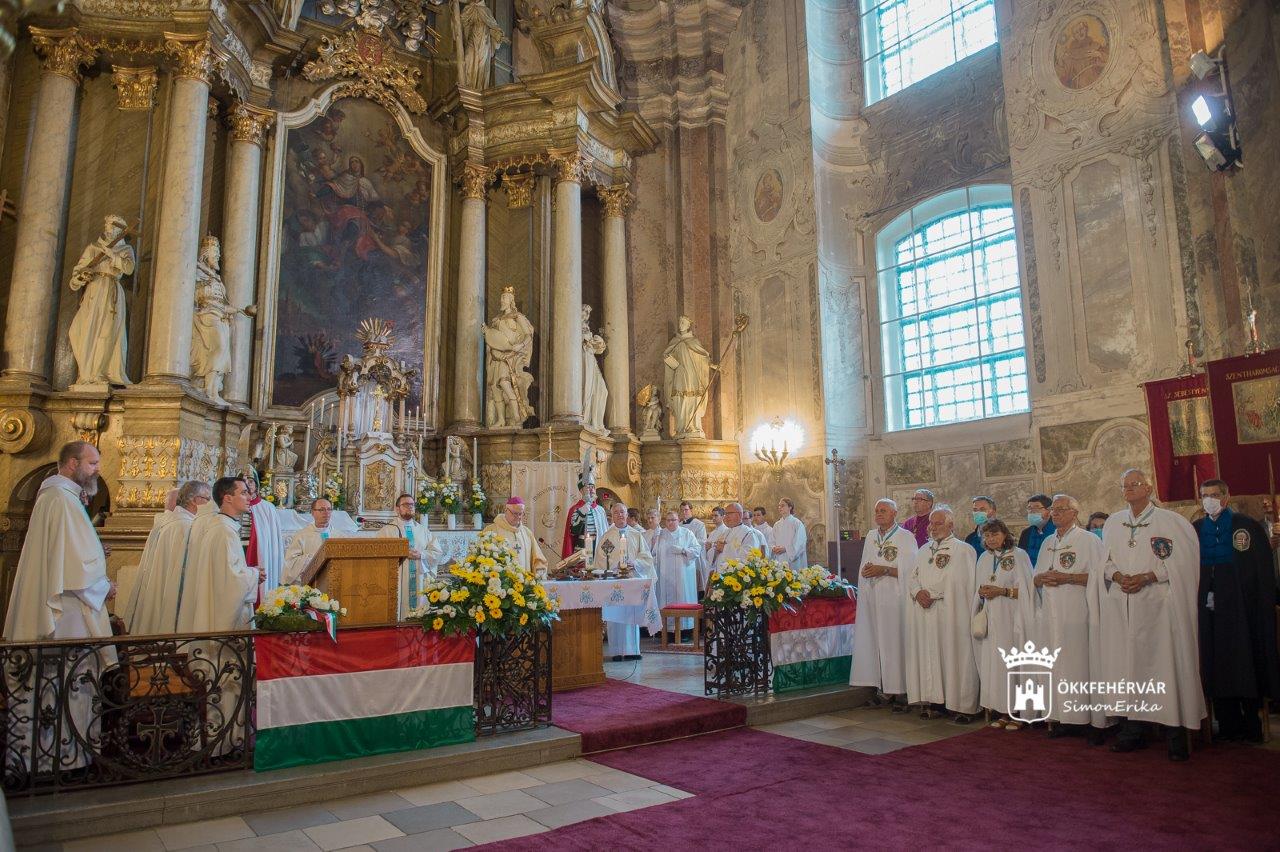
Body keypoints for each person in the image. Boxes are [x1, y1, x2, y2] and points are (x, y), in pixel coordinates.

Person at [3, 441, 118, 772]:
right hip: (67, 612)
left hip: (69, 606)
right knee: (66, 685)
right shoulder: (61, 501)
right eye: (92, 462)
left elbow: (69, 553)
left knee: (66, 685)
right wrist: (104, 586)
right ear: (71, 463)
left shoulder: (58, 499)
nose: (97, 468)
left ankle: (58, 756)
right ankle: (57, 760)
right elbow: (73, 569)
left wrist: (97, 552)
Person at [1099, 469, 1204, 761]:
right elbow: (1104, 562)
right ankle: (1132, 730)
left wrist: (1148, 576)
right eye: (1125, 486)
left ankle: (1175, 732)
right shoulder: (1114, 523)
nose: (1129, 489)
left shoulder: (1171, 522)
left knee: (1164, 667)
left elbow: (1182, 565)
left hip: (1159, 609)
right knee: (1127, 668)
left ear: (1148, 487)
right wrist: (1118, 575)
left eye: (1135, 484)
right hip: (1123, 606)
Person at [1193, 479, 1279, 742]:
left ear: (1226, 497)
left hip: (1244, 612)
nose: (1210, 500)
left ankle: (1251, 722)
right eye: (1205, 496)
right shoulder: (1195, 529)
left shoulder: (1246, 526)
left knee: (1246, 661)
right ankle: (1227, 722)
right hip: (1210, 612)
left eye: (1215, 495)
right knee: (1215, 662)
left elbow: (1260, 570)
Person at [1033, 494, 1108, 741]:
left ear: (1075, 513)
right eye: (1053, 510)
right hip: (1051, 614)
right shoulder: (1047, 543)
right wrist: (1043, 577)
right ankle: (1063, 717)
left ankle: (1091, 721)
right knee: (1056, 665)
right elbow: (1035, 577)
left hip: (1078, 612)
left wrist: (1067, 578)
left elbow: (1100, 579)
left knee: (1081, 663)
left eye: (1061, 510)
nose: (1055, 514)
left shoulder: (1088, 541)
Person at [904, 505, 980, 723]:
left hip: (950, 613)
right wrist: (918, 592)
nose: (933, 527)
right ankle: (934, 701)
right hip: (925, 612)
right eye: (931, 523)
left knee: (954, 655)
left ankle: (962, 706)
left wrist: (932, 592)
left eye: (938, 523)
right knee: (930, 655)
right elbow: (913, 576)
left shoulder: (963, 550)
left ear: (951, 525)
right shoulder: (923, 550)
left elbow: (961, 582)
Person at [850, 498, 918, 709]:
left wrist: (885, 570)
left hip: (895, 599)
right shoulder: (871, 535)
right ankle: (883, 688)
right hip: (873, 597)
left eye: (884, 511)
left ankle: (901, 691)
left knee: (895, 642)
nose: (879, 514)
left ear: (894, 513)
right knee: (877, 642)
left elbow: (912, 572)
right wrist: (866, 572)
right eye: (877, 510)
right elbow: (865, 563)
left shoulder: (906, 537)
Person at [123, 480, 209, 635]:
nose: (209, 504)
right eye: (206, 499)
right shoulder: (186, 526)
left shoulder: (171, 522)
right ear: (194, 500)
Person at [176, 477, 261, 632]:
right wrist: (254, 574)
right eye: (243, 493)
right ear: (227, 498)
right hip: (223, 626)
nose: (249, 497)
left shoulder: (224, 526)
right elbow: (227, 581)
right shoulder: (223, 531)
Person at [973, 519, 1034, 730]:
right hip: (992, 618)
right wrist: (980, 594)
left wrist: (1002, 591)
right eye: (986, 535)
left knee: (1014, 664)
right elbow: (977, 588)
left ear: (1005, 534)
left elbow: (1028, 591)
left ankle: (1019, 713)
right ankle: (1003, 710)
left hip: (1013, 617)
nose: (990, 539)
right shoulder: (984, 558)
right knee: (997, 665)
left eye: (995, 534)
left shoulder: (1018, 555)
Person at [591, 502, 658, 660]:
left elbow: (646, 558)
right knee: (616, 616)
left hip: (632, 581)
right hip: (614, 582)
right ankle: (616, 651)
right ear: (612, 516)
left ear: (627, 515)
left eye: (623, 512)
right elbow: (600, 561)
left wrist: (635, 563)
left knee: (631, 615)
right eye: (616, 513)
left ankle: (632, 650)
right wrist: (612, 568)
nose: (620, 515)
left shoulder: (636, 535)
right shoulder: (607, 537)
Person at [379, 492, 445, 617]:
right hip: (397, 580)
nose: (410, 507)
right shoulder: (387, 530)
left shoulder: (423, 530)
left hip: (419, 579)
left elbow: (437, 553)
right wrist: (400, 553)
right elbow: (378, 553)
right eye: (406, 505)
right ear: (397, 509)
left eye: (412, 505)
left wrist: (422, 554)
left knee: (419, 615)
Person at [650, 510, 701, 632]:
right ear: (665, 522)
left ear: (678, 521)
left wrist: (683, 550)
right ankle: (666, 630)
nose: (671, 522)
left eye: (673, 520)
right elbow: (653, 554)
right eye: (668, 520)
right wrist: (653, 542)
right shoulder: (660, 534)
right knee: (665, 601)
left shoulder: (687, 533)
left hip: (682, 576)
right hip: (664, 576)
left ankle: (684, 630)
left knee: (682, 599)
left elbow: (697, 550)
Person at [484, 497, 547, 575]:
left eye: (520, 514)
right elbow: (483, 557)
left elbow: (537, 557)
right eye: (515, 513)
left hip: (525, 583)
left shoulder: (527, 532)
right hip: (501, 583)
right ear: (506, 511)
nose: (518, 517)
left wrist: (539, 570)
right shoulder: (491, 530)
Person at [283, 498, 337, 585]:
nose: (326, 512)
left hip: (333, 580)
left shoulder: (339, 535)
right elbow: (290, 562)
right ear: (312, 512)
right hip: (310, 582)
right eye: (321, 509)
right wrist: (312, 559)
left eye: (329, 509)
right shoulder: (302, 535)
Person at [709, 502, 768, 576]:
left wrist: (725, 548)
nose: (725, 517)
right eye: (725, 514)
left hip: (737, 578)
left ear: (739, 515)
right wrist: (715, 550)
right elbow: (715, 554)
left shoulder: (749, 534)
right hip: (720, 575)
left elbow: (748, 557)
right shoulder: (726, 532)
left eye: (728, 514)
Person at [562, 480, 607, 559]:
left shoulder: (600, 510)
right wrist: (583, 511)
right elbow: (574, 531)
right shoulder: (575, 509)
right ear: (581, 490)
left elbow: (605, 532)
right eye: (588, 487)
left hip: (599, 548)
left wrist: (610, 555)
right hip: (582, 548)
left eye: (593, 487)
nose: (591, 489)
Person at [769, 498, 808, 569]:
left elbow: (800, 543)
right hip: (779, 558)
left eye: (782, 505)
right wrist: (774, 548)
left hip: (793, 562)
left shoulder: (797, 523)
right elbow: (771, 541)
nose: (780, 507)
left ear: (790, 507)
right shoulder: (777, 525)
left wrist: (786, 549)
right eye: (779, 506)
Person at [1018, 494, 1056, 564]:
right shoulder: (1026, 533)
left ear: (1049, 510)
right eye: (1029, 508)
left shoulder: (1057, 531)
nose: (1032, 511)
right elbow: (1021, 558)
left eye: (1037, 507)